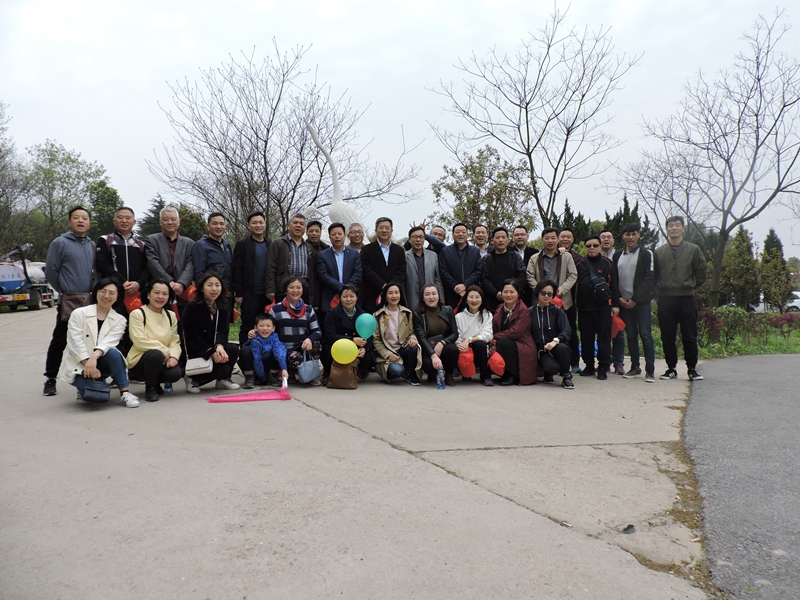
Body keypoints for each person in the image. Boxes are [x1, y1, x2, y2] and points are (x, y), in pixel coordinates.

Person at [59, 278, 139, 407]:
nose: (106, 296)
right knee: (97, 397)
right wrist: (87, 363)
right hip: (79, 363)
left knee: (113, 353)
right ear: (96, 292)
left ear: (118, 297)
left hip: (100, 360)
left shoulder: (120, 320)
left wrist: (94, 357)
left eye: (112, 293)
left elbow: (109, 342)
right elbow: (75, 342)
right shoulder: (79, 313)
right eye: (103, 291)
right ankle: (89, 384)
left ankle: (125, 393)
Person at [43, 206, 96, 397]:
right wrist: (64, 290)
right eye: (76, 218)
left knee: (88, 341)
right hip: (69, 301)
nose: (80, 221)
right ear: (70, 221)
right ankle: (50, 378)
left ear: (89, 222)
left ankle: (86, 380)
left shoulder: (91, 245)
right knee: (60, 340)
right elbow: (51, 271)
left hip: (89, 300)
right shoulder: (60, 243)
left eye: (84, 218)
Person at [653, 215, 707, 381]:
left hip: (686, 298)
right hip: (665, 299)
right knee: (667, 336)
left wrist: (690, 286)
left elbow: (701, 271)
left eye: (677, 225)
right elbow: (654, 275)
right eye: (671, 225)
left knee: (689, 335)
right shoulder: (659, 252)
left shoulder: (693, 249)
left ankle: (692, 369)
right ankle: (671, 368)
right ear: (666, 229)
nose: (674, 228)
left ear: (683, 228)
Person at [182, 273, 241, 393]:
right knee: (223, 369)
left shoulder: (221, 307)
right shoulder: (192, 307)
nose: (214, 289)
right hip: (197, 351)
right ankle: (192, 379)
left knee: (233, 349)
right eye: (210, 285)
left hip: (213, 346)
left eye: (217, 285)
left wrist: (219, 346)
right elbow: (191, 337)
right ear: (202, 288)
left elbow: (223, 332)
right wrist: (210, 352)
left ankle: (222, 380)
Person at [612, 223, 657, 383]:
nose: (630, 237)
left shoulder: (646, 254)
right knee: (630, 335)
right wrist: (619, 298)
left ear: (639, 235)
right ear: (623, 236)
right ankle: (635, 367)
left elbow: (649, 278)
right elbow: (614, 279)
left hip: (641, 303)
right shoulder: (617, 255)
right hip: (624, 303)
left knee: (645, 334)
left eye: (634, 234)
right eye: (627, 234)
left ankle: (650, 370)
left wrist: (635, 300)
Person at [127, 279, 184, 402]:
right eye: (156, 293)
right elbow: (139, 340)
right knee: (155, 354)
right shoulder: (137, 314)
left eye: (165, 294)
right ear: (148, 295)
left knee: (175, 373)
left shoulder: (170, 315)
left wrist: (173, 357)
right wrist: (165, 351)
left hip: (164, 357)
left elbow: (175, 340)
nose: (160, 297)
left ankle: (156, 382)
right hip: (141, 359)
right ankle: (150, 388)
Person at [574, 235, 617, 380]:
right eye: (588, 246)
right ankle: (589, 366)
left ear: (600, 246)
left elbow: (614, 285)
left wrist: (615, 305)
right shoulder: (579, 264)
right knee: (586, 338)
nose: (591, 248)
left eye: (595, 245)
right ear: (585, 248)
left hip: (603, 307)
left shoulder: (608, 264)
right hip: (584, 308)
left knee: (604, 338)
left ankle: (603, 366)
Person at [96, 206, 150, 320]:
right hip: (112, 293)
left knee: (136, 324)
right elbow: (102, 264)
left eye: (128, 218)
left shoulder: (140, 244)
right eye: (120, 218)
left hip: (136, 294)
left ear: (134, 222)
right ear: (114, 221)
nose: (124, 221)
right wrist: (122, 281)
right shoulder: (106, 240)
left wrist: (139, 283)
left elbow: (147, 267)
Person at [268, 276, 323, 385]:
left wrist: (309, 339)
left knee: (317, 346)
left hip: (303, 346)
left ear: (302, 290)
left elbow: (317, 331)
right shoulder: (275, 309)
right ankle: (291, 372)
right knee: (295, 358)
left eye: (298, 287)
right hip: (285, 349)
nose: (295, 290)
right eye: (291, 287)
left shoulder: (309, 309)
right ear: (285, 290)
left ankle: (310, 373)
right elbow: (268, 330)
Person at [144, 205, 195, 315]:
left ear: (179, 222)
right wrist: (169, 281)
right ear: (160, 222)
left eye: (173, 219)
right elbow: (153, 263)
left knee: (183, 322)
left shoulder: (189, 243)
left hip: (183, 292)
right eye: (166, 219)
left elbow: (191, 265)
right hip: (159, 291)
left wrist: (181, 283)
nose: (170, 222)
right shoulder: (151, 240)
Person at [322, 284, 374, 382]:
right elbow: (330, 335)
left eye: (352, 296)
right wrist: (352, 340)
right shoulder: (331, 314)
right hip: (337, 346)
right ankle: (330, 373)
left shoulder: (363, 315)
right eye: (345, 296)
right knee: (328, 349)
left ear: (357, 298)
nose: (348, 299)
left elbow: (369, 336)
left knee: (367, 355)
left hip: (357, 347)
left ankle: (359, 372)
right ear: (340, 298)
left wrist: (365, 347)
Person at [232, 211, 270, 345]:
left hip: (267, 294)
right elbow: (237, 268)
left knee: (266, 327)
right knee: (248, 326)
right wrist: (238, 293)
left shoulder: (270, 244)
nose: (258, 225)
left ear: (265, 224)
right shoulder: (242, 244)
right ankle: (245, 353)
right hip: (249, 294)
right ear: (248, 225)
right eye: (254, 223)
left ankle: (264, 354)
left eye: (261, 222)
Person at [373, 283, 422, 384]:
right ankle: (398, 370)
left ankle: (411, 375)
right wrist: (388, 354)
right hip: (387, 352)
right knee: (397, 371)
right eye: (390, 293)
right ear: (385, 296)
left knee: (414, 347)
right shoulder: (378, 315)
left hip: (402, 349)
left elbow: (412, 332)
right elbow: (376, 340)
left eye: (396, 292)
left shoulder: (407, 313)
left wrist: (413, 338)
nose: (394, 296)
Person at [265, 213, 318, 306]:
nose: (298, 226)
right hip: (284, 289)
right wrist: (270, 289)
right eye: (295, 223)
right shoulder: (278, 243)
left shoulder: (309, 248)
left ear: (305, 228)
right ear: (288, 225)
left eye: (301, 224)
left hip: (304, 289)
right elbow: (270, 267)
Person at [491, 279, 537, 386]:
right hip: (506, 342)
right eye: (505, 292)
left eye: (512, 292)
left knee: (503, 342)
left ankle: (513, 375)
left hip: (522, 343)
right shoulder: (500, 308)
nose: (508, 295)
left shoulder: (523, 310)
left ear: (518, 293)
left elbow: (516, 332)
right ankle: (503, 373)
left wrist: (494, 336)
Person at [530, 280, 574, 389]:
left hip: (556, 347)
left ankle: (566, 376)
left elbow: (567, 330)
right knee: (552, 368)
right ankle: (547, 372)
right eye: (543, 293)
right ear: (538, 293)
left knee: (563, 348)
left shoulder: (557, 311)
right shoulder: (530, 312)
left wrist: (555, 341)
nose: (546, 296)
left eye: (549, 294)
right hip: (540, 351)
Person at [412, 284, 459, 386]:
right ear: (423, 298)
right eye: (427, 294)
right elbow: (421, 338)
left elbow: (455, 333)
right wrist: (433, 355)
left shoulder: (448, 310)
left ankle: (449, 374)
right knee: (429, 365)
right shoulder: (418, 314)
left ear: (438, 295)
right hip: (427, 348)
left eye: (434, 294)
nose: (431, 297)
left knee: (453, 350)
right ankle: (433, 373)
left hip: (444, 345)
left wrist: (443, 342)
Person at [526, 227, 578, 318]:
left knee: (563, 325)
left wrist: (562, 290)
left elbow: (573, 275)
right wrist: (541, 291)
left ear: (557, 240)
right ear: (542, 240)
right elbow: (529, 276)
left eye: (553, 238)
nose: (550, 241)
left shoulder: (566, 256)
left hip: (562, 300)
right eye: (547, 238)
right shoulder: (534, 258)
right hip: (540, 301)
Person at [360, 217, 407, 313]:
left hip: (395, 296)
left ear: (391, 230)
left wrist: (392, 287)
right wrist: (384, 286)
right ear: (376, 230)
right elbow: (368, 271)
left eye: (387, 228)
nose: (384, 230)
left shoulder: (399, 250)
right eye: (381, 228)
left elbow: (402, 270)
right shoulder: (367, 250)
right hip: (373, 296)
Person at [317, 222, 362, 320]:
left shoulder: (354, 254)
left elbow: (358, 273)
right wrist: (341, 288)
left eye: (339, 234)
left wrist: (347, 289)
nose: (337, 236)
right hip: (330, 299)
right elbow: (323, 275)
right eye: (334, 234)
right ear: (330, 237)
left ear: (344, 236)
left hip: (351, 299)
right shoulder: (323, 255)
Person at [455, 285, 494, 386]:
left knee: (480, 344)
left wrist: (470, 339)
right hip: (464, 348)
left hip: (480, 348)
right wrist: (459, 345)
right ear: (466, 300)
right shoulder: (459, 317)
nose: (474, 300)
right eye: (471, 297)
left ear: (482, 299)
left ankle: (485, 376)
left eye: (477, 297)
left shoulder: (487, 315)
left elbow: (488, 335)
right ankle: (466, 374)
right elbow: (456, 335)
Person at [438, 223, 483, 310]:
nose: (460, 234)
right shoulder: (445, 251)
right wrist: (456, 287)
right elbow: (443, 272)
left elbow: (478, 271)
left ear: (467, 235)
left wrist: (465, 285)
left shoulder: (475, 251)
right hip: (451, 294)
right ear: (452, 235)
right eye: (457, 232)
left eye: (463, 232)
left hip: (471, 293)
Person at [558, 227, 584, 372]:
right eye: (563, 236)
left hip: (570, 300)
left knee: (571, 331)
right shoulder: (552, 255)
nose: (565, 239)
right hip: (552, 299)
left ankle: (574, 362)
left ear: (573, 239)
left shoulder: (579, 258)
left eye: (568, 237)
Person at [238, 313, 288, 389]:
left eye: (268, 326)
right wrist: (263, 379)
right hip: (255, 366)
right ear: (255, 328)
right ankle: (250, 377)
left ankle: (271, 376)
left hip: (267, 366)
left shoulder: (275, 338)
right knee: (245, 350)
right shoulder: (254, 339)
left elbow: (280, 354)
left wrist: (284, 369)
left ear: (273, 328)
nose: (265, 328)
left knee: (282, 350)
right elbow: (257, 359)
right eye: (261, 326)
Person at [481, 227, 525, 312]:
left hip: (514, 301)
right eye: (497, 237)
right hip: (493, 302)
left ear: (508, 240)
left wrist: (510, 292)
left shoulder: (515, 256)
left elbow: (522, 275)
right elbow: (484, 279)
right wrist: (495, 293)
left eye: (503, 237)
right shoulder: (486, 259)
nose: (500, 240)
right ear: (492, 241)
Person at [404, 226, 444, 311]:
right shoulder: (404, 256)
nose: (418, 240)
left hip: (431, 299)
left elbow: (437, 279)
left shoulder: (433, 255)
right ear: (409, 240)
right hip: (412, 299)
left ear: (424, 239)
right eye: (415, 237)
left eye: (421, 237)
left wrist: (441, 297)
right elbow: (402, 281)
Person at [191, 212, 233, 289]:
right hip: (212, 292)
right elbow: (198, 274)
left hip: (227, 292)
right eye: (215, 223)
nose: (219, 227)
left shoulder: (227, 245)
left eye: (221, 224)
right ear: (208, 226)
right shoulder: (201, 246)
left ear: (225, 226)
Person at [512, 225, 537, 304]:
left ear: (527, 236)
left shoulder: (535, 253)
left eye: (522, 234)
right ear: (512, 237)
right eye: (517, 235)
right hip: (513, 291)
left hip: (531, 292)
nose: (520, 237)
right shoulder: (508, 252)